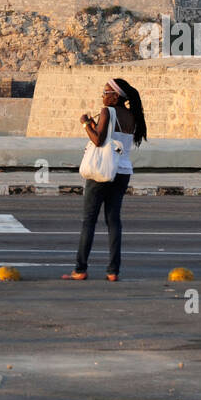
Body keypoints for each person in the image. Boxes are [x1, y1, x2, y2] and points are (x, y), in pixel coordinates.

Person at [64, 77, 146, 282]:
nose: (102, 95)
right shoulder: (132, 116)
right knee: (113, 221)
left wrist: (85, 124)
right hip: (123, 171)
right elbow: (111, 137)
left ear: (115, 96)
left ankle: (80, 269)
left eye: (105, 92)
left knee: (88, 221)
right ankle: (113, 271)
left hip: (102, 171)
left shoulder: (107, 111)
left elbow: (98, 140)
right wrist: (94, 125)